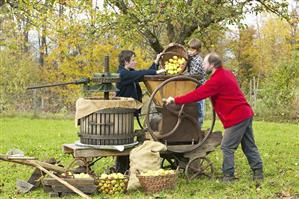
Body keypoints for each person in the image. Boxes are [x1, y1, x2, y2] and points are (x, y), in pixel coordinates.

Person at [165, 53, 263, 182]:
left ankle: (228, 177)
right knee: (249, 145)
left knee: (227, 147)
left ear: (212, 65)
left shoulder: (217, 79)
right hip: (245, 113)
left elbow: (198, 94)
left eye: (205, 63)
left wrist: (176, 100)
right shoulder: (227, 73)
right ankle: (258, 173)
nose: (203, 65)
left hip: (237, 116)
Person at [115, 50, 164, 173]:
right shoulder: (123, 74)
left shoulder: (129, 72)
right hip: (123, 113)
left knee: (127, 139)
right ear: (126, 62)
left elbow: (142, 74)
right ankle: (121, 169)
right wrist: (156, 71)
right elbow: (141, 74)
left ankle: (123, 168)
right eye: (133, 60)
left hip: (128, 113)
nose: (135, 62)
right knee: (124, 140)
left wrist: (155, 63)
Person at [184, 38, 206, 127]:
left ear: (198, 50)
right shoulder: (191, 58)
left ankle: (198, 127)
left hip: (199, 87)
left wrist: (182, 75)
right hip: (193, 87)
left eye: (192, 49)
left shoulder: (197, 60)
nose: (190, 51)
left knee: (199, 107)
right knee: (193, 107)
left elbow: (193, 75)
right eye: (189, 49)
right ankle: (193, 127)